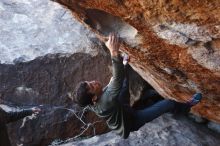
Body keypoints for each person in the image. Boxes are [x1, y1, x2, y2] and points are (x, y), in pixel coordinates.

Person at [75, 33, 202, 139]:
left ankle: (125, 64)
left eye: (89, 82)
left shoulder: (92, 102)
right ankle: (187, 106)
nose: (94, 82)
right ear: (94, 99)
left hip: (121, 107)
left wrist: (120, 68)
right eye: (92, 87)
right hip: (131, 121)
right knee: (168, 103)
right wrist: (113, 51)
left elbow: (111, 84)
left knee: (123, 84)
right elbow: (116, 81)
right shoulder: (105, 102)